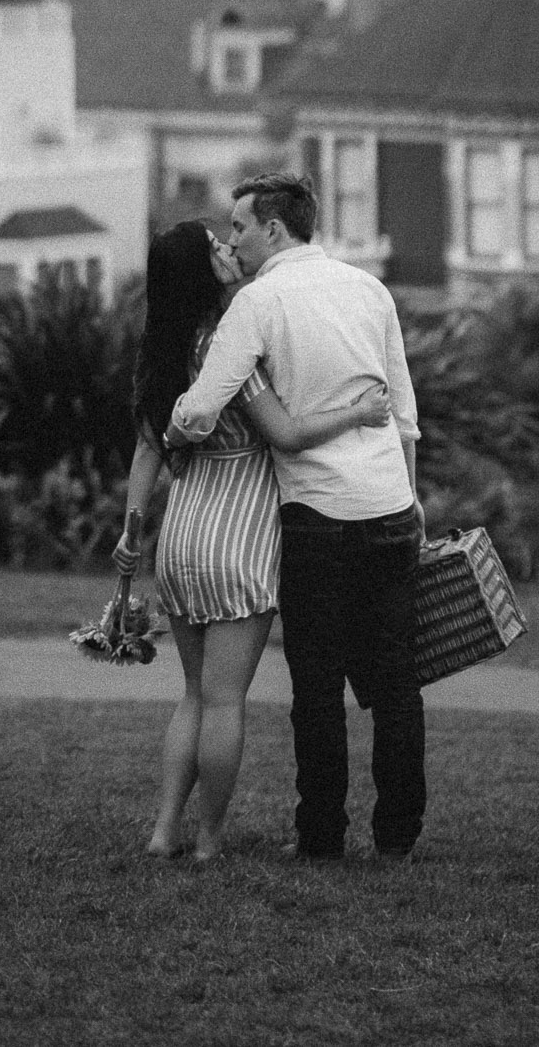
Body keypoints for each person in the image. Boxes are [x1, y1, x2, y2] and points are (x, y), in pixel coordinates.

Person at [112, 219, 391, 864]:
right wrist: (359, 412)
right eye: (215, 247)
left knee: (192, 694)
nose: (228, 248)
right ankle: (209, 841)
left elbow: (147, 450)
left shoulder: (162, 354)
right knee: (225, 699)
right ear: (200, 272)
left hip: (181, 533)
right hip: (239, 530)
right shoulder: (230, 344)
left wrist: (130, 535)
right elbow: (285, 434)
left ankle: (162, 832)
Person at [170, 172, 425, 867]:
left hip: (318, 516)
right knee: (397, 683)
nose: (233, 240)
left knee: (317, 687)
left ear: (275, 229)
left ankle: (321, 837)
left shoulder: (258, 302)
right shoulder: (369, 290)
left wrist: (173, 427)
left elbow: (200, 406)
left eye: (241, 227)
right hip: (390, 507)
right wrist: (413, 501)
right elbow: (403, 416)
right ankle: (398, 835)